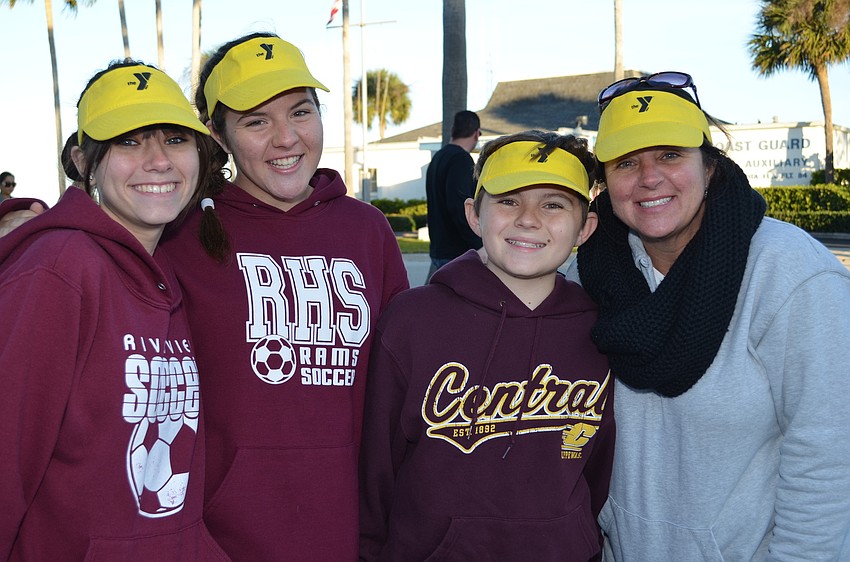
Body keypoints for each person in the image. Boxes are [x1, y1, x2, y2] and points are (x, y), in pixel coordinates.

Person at [0, 33, 408, 561]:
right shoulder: (172, 233)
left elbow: (399, 396)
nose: (285, 138)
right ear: (218, 135)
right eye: (256, 120)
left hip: (336, 531)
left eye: (301, 111)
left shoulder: (368, 231)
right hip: (212, 536)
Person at [568, 72, 850, 560]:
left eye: (670, 155)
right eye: (626, 162)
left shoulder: (789, 272)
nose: (649, 177)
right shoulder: (583, 274)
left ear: (711, 165)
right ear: (605, 183)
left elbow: (827, 456)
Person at [0, 60, 229, 560]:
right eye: (128, 141)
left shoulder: (164, 268)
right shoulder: (57, 270)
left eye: (174, 139)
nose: (158, 161)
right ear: (84, 161)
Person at [360, 130, 615, 561]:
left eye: (553, 204)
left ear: (585, 227)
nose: (528, 219)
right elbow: (374, 475)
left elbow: (599, 472)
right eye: (508, 201)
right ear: (474, 215)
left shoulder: (601, 330)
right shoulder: (411, 321)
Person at [425, 109, 483, 281]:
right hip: (458, 252)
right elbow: (459, 207)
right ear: (476, 134)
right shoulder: (461, 159)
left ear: (452, 131)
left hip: (439, 248)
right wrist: (479, 246)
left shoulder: (438, 158)